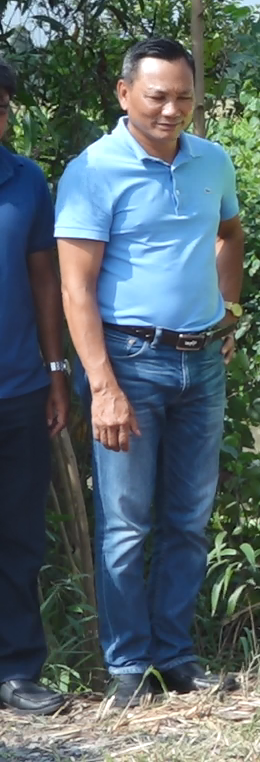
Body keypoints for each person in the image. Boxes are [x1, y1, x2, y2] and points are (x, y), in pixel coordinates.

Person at [55, 37, 243, 709]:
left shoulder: (211, 160)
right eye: (158, 96)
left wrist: (229, 311)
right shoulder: (94, 171)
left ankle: (175, 657)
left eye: (184, 97)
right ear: (124, 93)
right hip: (129, 362)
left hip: (202, 362)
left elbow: (231, 233)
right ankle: (128, 666)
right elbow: (76, 288)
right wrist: (101, 386)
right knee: (128, 523)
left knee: (189, 520)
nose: (171, 110)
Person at [0, 60, 72, 716]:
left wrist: (56, 371)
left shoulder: (26, 180)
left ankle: (18, 671)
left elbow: (45, 280)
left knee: (19, 535)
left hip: (18, 390)